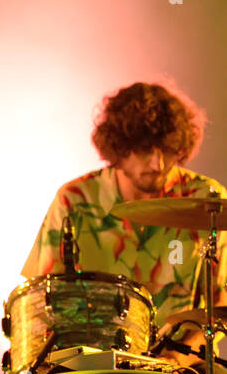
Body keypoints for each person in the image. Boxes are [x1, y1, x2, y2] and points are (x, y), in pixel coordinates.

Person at [22, 81, 226, 356]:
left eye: (167, 150)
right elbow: (38, 304)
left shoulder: (207, 199)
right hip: (89, 366)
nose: (158, 164)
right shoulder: (75, 200)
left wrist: (178, 355)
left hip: (179, 368)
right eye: (145, 150)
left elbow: (219, 305)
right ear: (119, 147)